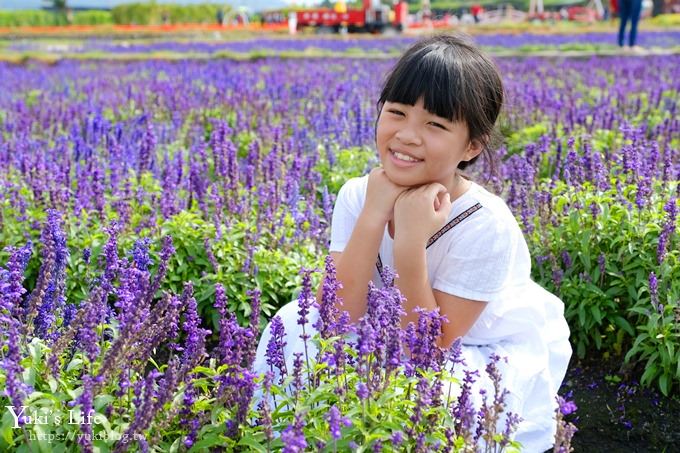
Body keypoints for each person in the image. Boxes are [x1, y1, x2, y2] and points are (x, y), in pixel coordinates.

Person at [253, 34, 571, 452]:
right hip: (379, 329)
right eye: (397, 113)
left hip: (461, 349)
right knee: (295, 326)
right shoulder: (358, 193)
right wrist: (373, 213)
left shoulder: (486, 224)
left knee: (442, 400)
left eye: (435, 125)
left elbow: (424, 348)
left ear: (472, 145)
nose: (407, 135)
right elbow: (336, 317)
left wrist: (410, 242)